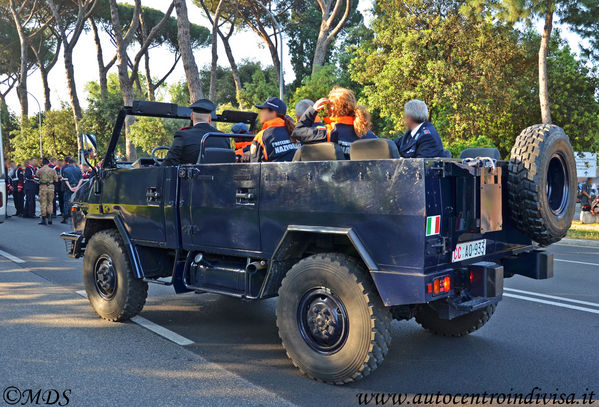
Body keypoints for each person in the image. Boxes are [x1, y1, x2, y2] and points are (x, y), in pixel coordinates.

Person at [292, 87, 376, 158]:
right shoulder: (368, 133)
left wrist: (313, 110)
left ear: (333, 110)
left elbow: (297, 132)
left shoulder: (329, 132)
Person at [162, 99, 230, 166]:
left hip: (191, 177)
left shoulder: (183, 136)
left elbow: (168, 164)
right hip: (220, 177)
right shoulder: (223, 137)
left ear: (191, 116)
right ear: (210, 119)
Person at [247, 97, 298, 162]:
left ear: (273, 112)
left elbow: (255, 167)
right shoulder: (295, 132)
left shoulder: (262, 136)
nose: (260, 113)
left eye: (263, 109)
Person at [36, 158, 59, 225]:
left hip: (43, 187)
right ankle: (50, 218)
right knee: (50, 202)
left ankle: (43, 219)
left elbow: (35, 180)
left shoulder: (39, 170)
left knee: (43, 203)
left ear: (42, 163)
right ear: (48, 163)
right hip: (51, 187)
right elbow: (56, 180)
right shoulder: (53, 170)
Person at [61, 157, 82, 224]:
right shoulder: (79, 170)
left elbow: (65, 180)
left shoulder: (66, 170)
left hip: (69, 187)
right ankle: (76, 217)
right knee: (76, 203)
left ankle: (65, 218)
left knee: (67, 202)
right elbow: (81, 179)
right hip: (76, 187)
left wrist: (70, 187)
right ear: (74, 163)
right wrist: (77, 187)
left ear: (69, 163)